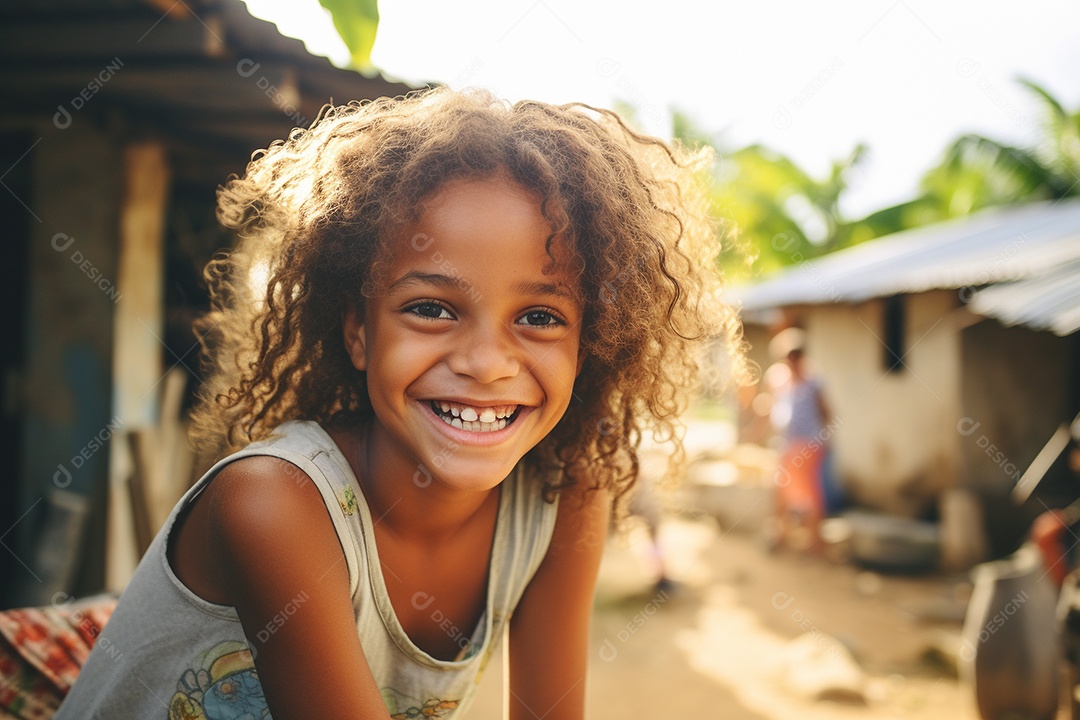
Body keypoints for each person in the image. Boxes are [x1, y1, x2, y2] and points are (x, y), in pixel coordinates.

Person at [57, 88, 741, 719]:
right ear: (358, 331)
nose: (485, 363)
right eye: (432, 308)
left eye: (538, 317)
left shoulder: (566, 493)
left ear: (591, 343)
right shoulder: (273, 506)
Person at [765, 328, 837, 552]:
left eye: (795, 356)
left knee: (811, 495)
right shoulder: (781, 380)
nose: (792, 361)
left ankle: (815, 541)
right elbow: (771, 406)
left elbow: (826, 412)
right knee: (782, 491)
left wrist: (822, 441)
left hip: (808, 445)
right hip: (788, 444)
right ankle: (783, 535)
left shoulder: (813, 380)